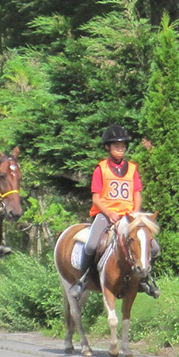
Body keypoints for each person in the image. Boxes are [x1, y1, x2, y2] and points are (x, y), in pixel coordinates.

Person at [67, 125, 159, 300]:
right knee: (93, 244)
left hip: (129, 215)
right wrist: (109, 213)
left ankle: (145, 279)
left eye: (123, 146)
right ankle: (83, 279)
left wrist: (135, 214)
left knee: (154, 247)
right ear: (108, 147)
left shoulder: (132, 169)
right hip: (106, 214)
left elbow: (137, 195)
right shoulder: (100, 169)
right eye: (116, 146)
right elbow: (96, 199)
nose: (120, 150)